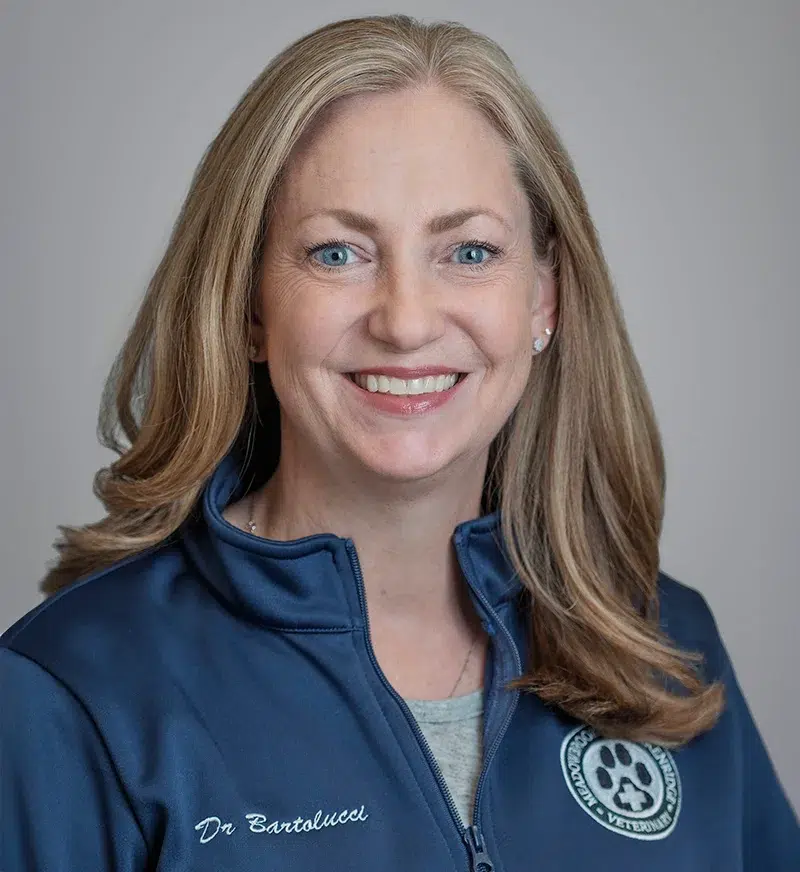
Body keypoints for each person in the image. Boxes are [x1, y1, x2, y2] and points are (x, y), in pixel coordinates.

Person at [1, 12, 797, 872]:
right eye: (338, 253)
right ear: (250, 307)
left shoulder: (668, 647)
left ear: (544, 299)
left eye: (470, 252)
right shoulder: (72, 695)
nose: (406, 322)